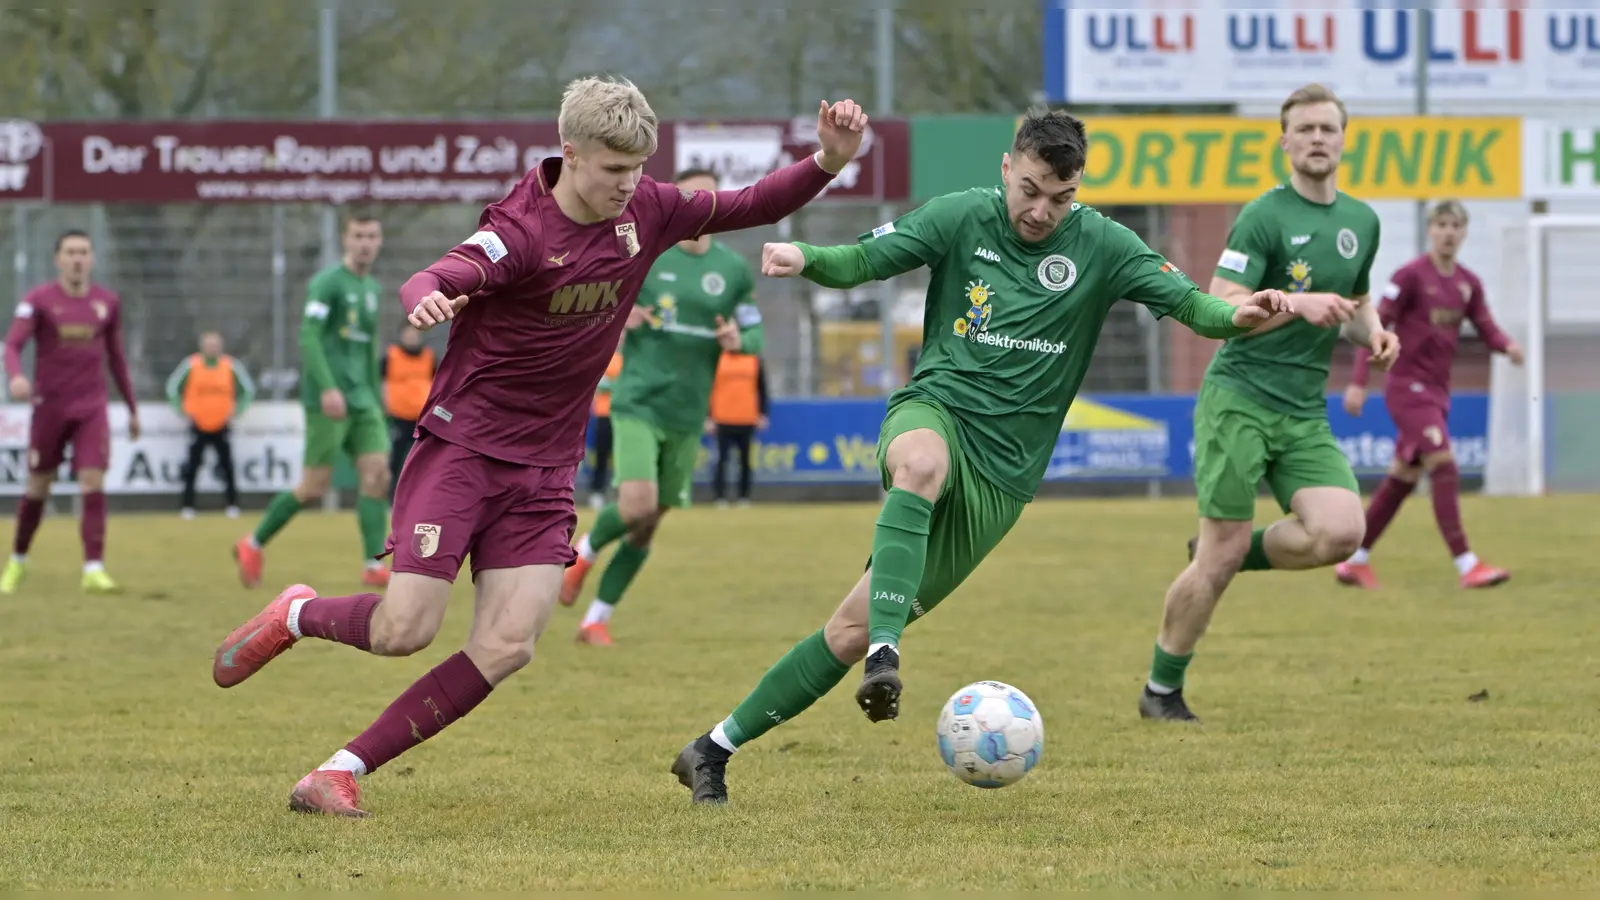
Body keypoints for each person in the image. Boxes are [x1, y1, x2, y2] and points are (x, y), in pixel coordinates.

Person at [208, 75, 868, 818]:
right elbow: (440, 272)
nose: (630, 185)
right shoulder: (519, 231)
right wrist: (423, 297)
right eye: (615, 170)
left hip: (547, 467)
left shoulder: (647, 209)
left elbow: (749, 204)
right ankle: (296, 613)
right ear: (570, 154)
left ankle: (339, 771)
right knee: (404, 630)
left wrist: (828, 160)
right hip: (464, 450)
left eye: (638, 169)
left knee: (508, 644)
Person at [669, 106, 1292, 805]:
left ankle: (711, 749)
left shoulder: (1107, 246)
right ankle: (888, 652)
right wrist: (806, 258)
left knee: (843, 630)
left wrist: (1239, 316)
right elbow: (868, 259)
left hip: (1004, 478)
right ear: (1007, 168)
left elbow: (1191, 305)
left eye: (1061, 197)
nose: (1041, 211)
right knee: (920, 468)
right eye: (1029, 190)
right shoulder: (962, 216)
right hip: (934, 411)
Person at [1139, 83, 1401, 724]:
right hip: (1240, 402)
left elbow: (1355, 302)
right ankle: (1161, 689)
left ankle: (1227, 550)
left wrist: (1375, 333)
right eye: (1305, 129)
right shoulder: (1263, 216)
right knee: (1217, 560)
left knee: (1342, 532)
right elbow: (1223, 305)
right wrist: (1292, 302)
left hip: (1303, 410)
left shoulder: (1361, 221)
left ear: (1343, 140)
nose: (1317, 138)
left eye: (1328, 129)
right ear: (1285, 142)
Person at [559, 166, 763, 645]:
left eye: (715, 200)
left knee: (647, 526)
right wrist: (618, 311)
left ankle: (595, 620)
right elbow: (590, 294)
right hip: (638, 401)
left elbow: (756, 332)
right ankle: (583, 553)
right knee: (637, 503)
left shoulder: (731, 270)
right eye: (696, 198)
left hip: (687, 413)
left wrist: (740, 337)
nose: (704, 209)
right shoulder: (647, 253)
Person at [1335, 200, 1521, 590]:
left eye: (1456, 225)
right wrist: (1357, 380)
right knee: (1444, 463)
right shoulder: (1410, 276)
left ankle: (1355, 559)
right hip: (1406, 388)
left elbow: (1486, 326)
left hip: (1438, 393)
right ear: (1430, 230)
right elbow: (1376, 324)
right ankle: (1467, 563)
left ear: (1464, 232)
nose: (1448, 232)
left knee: (1402, 479)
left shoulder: (1467, 283)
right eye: (1441, 224)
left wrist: (1508, 346)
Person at [233, 214, 393, 589]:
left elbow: (368, 347)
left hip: (363, 399)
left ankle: (373, 563)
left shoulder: (372, 288)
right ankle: (253, 543)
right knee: (313, 487)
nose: (366, 243)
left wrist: (374, 395)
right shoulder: (327, 284)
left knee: (377, 476)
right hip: (329, 400)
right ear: (345, 240)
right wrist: (326, 386)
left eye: (372, 235)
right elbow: (309, 335)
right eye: (359, 236)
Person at [1, 229, 139, 595]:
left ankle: (94, 567)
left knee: (92, 481)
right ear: (58, 259)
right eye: (70, 252)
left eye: (83, 252)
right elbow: (12, 343)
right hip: (49, 407)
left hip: (91, 407)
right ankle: (17, 560)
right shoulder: (39, 300)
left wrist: (132, 407)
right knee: (38, 487)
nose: (77, 259)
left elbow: (117, 358)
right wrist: (15, 377)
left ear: (92, 259)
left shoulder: (107, 302)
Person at [165, 330, 255, 519]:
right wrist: (182, 409)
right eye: (209, 345)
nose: (212, 348)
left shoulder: (230, 365)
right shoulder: (191, 365)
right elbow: (172, 387)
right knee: (192, 466)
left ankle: (232, 505)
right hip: (198, 424)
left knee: (227, 466)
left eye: (215, 345)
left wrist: (237, 411)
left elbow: (249, 390)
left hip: (221, 423)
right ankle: (188, 506)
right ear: (202, 347)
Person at [380, 324, 436, 502]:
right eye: (408, 333)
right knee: (394, 459)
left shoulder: (430, 357)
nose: (412, 337)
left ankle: (420, 498)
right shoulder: (390, 357)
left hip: (422, 419)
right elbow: (381, 384)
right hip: (397, 417)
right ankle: (390, 499)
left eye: (415, 333)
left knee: (422, 460)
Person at [709, 348, 769, 506]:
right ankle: (720, 496)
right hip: (722, 417)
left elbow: (762, 389)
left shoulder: (753, 359)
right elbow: (708, 389)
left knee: (745, 461)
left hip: (747, 417)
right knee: (722, 460)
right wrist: (708, 416)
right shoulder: (716, 359)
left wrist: (763, 414)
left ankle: (744, 496)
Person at [587, 347, 623, 509]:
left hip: (624, 414)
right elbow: (599, 382)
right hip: (604, 413)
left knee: (622, 457)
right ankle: (597, 492)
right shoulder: (605, 354)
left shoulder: (630, 356)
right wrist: (619, 385)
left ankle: (620, 493)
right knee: (602, 455)